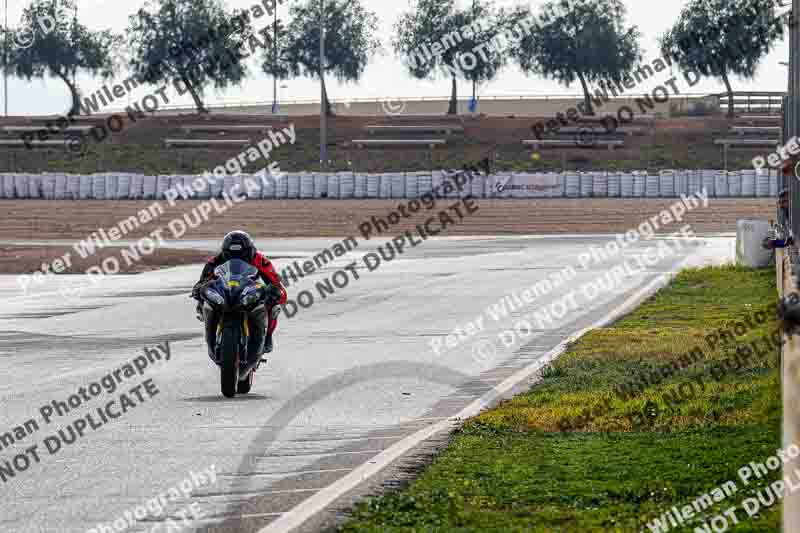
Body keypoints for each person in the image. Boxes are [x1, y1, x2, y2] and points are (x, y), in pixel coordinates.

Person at [192, 230, 287, 354]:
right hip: (225, 291)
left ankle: (267, 336)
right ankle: (211, 335)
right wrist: (198, 289)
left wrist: (275, 291)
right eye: (231, 255)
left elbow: (275, 282)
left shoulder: (260, 260)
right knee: (203, 301)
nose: (236, 258)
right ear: (225, 252)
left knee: (274, 305)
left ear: (249, 251)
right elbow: (203, 281)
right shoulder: (215, 261)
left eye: (241, 255)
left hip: (250, 290)